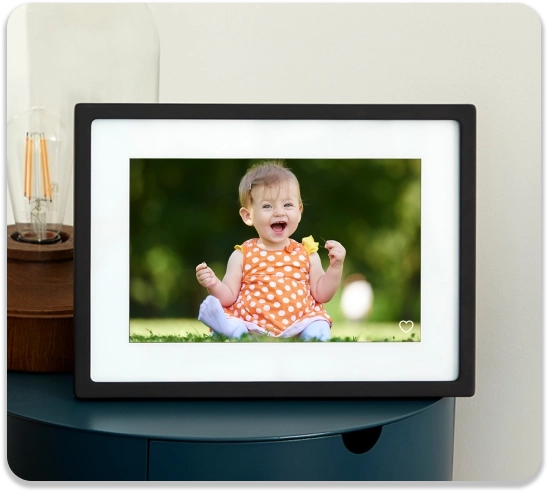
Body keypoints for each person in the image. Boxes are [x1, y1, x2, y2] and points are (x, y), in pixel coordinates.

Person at [196, 160, 346, 341]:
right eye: (267, 206)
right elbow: (228, 297)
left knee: (318, 324)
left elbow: (322, 293)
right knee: (234, 322)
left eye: (288, 205)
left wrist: (336, 267)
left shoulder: (307, 253)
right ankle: (232, 330)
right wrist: (213, 284)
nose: (279, 212)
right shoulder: (242, 254)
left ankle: (314, 339)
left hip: (300, 322)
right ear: (248, 215)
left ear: (299, 211)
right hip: (251, 323)